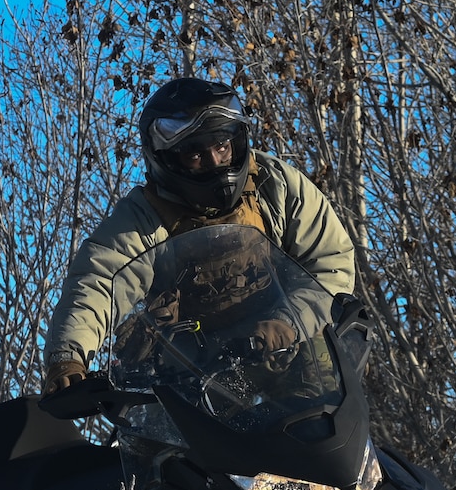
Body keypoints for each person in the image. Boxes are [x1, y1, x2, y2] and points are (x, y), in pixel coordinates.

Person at [41, 77, 356, 393]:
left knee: (326, 369)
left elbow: (330, 268)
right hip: (199, 374)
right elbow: (100, 280)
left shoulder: (276, 186)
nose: (215, 162)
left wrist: (286, 323)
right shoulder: (145, 216)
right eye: (195, 154)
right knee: (152, 428)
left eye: (221, 146)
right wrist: (69, 356)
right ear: (167, 159)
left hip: (285, 352)